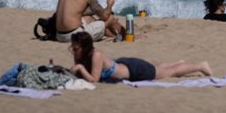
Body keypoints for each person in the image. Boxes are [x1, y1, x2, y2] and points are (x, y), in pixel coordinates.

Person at [69, 32, 212, 83]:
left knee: (170, 73)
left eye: (75, 48)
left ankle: (200, 66)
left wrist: (80, 68)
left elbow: (94, 79)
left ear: (85, 47)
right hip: (123, 65)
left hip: (135, 70)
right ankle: (177, 62)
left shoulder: (96, 55)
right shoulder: (81, 55)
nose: (73, 51)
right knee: (159, 68)